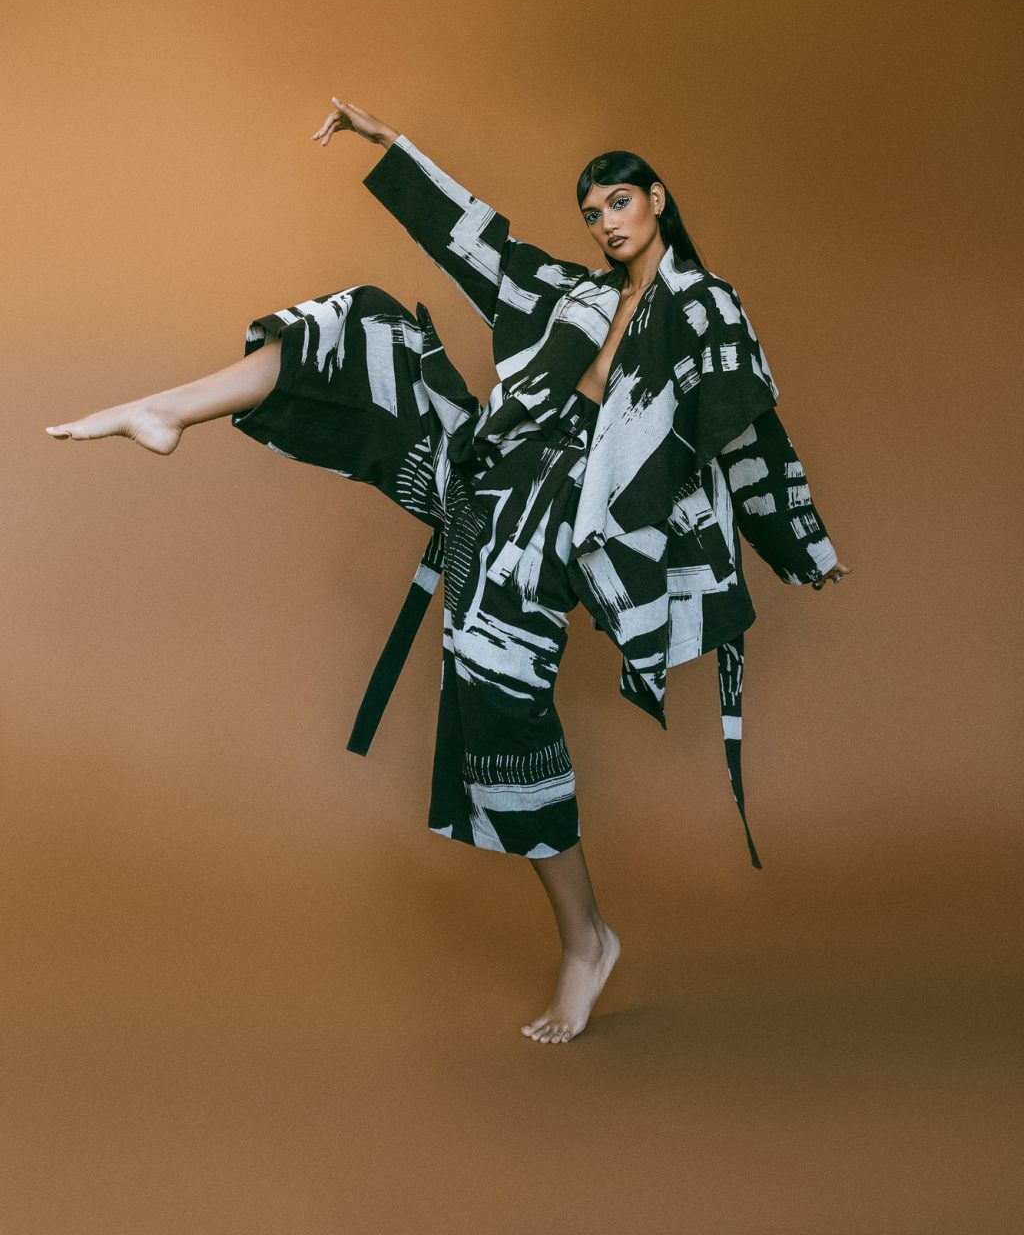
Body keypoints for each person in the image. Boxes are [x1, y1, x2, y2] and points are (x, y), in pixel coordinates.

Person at [45, 98, 851, 1045]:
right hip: (485, 481)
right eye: (593, 212)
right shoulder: (573, 294)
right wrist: (391, 147)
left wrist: (798, 542)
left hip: (569, 520)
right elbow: (480, 245)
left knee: (499, 692)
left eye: (620, 202)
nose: (606, 222)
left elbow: (747, 430)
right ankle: (168, 410)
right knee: (364, 324)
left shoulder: (705, 306)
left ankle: (586, 941)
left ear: (657, 199)